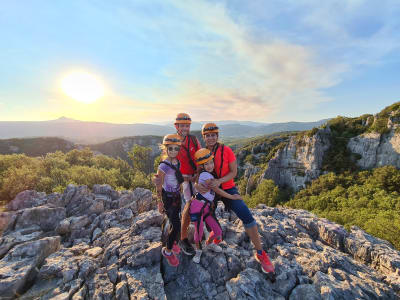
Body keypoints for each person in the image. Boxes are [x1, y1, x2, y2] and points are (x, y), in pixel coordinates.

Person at [197, 123, 275, 275]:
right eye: (208, 135)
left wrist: (220, 181)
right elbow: (197, 173)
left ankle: (260, 253)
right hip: (209, 190)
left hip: (227, 188)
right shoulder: (202, 153)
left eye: (213, 135)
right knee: (204, 213)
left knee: (246, 216)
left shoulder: (226, 151)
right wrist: (197, 185)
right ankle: (215, 232)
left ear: (217, 136)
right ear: (204, 137)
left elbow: (234, 172)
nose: (211, 137)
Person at [190, 148, 242, 263]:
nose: (210, 165)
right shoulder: (205, 175)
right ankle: (198, 252)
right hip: (198, 207)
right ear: (202, 166)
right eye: (206, 164)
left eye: (211, 162)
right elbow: (217, 190)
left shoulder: (207, 174)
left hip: (206, 207)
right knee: (198, 232)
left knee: (218, 231)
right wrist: (232, 197)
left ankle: (209, 244)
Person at [156, 134, 184, 267]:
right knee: (177, 224)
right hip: (168, 198)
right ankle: (167, 251)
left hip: (176, 196)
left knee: (175, 221)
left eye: (176, 149)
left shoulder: (177, 162)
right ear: (165, 149)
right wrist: (160, 202)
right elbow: (158, 185)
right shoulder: (163, 166)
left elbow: (177, 178)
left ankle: (172, 243)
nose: (173, 151)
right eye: (170, 149)